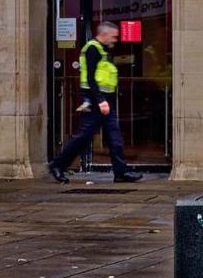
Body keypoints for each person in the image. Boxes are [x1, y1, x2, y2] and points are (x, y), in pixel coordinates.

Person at [48, 20, 139, 184]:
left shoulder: (103, 50)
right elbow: (90, 77)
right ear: (103, 34)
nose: (115, 40)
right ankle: (58, 164)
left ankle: (120, 172)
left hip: (105, 102)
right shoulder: (92, 48)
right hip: (96, 102)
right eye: (113, 37)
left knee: (115, 138)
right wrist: (100, 100)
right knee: (83, 137)